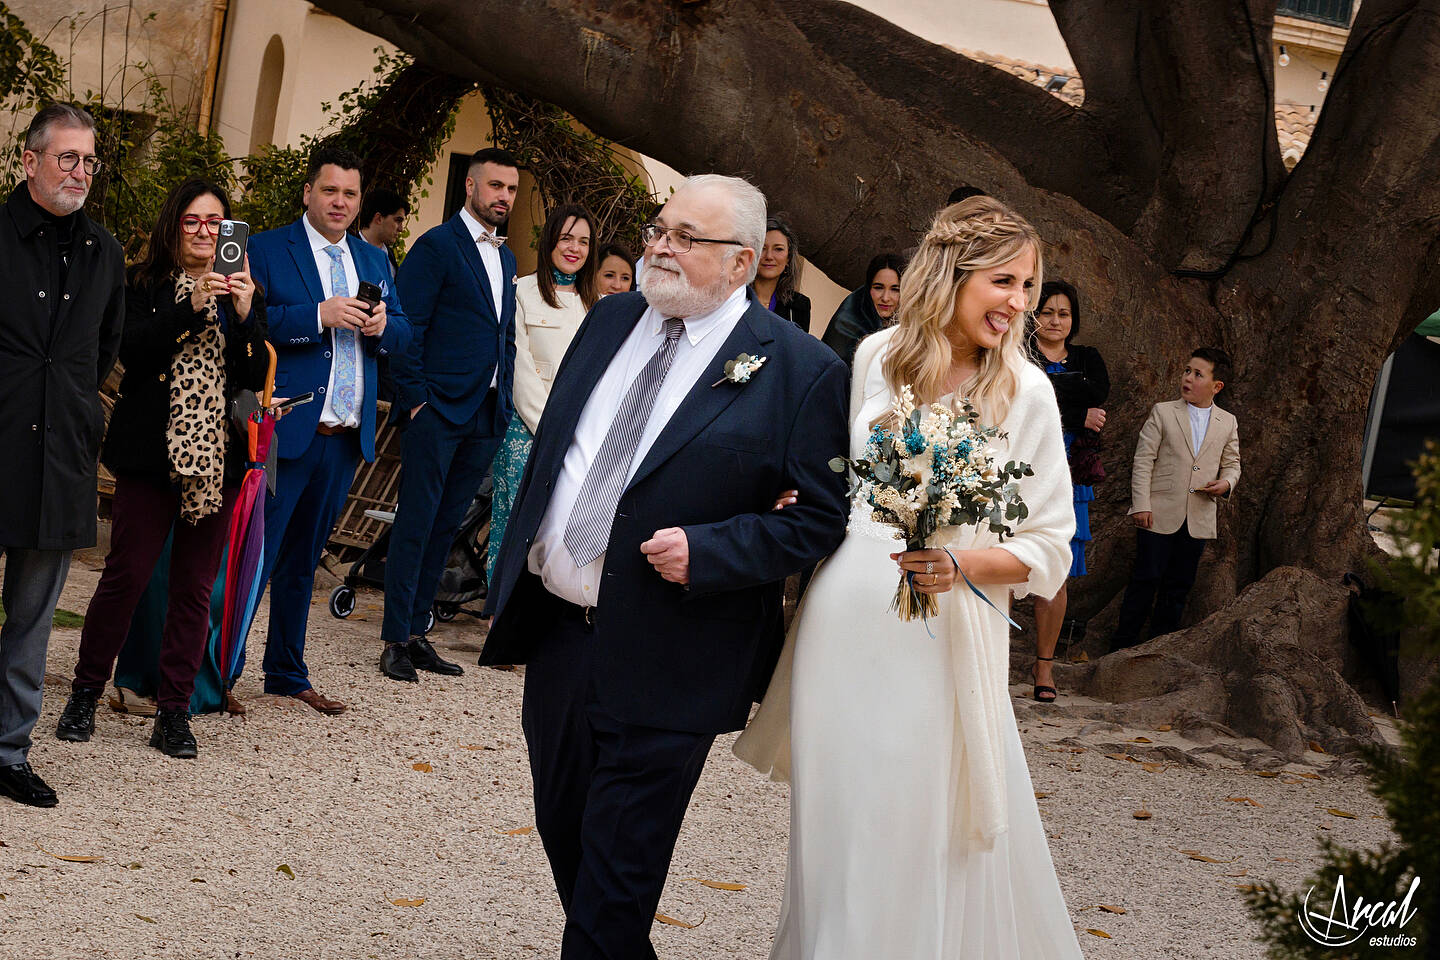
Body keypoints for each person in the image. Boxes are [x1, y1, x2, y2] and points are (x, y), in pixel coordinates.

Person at [479, 174, 850, 959]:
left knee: (619, 871)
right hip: (561, 631)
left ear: (743, 262)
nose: (660, 248)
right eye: (659, 229)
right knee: (567, 828)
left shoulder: (800, 370)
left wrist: (713, 552)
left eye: (687, 237)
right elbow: (563, 449)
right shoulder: (611, 318)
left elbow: (822, 516)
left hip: (678, 649)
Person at [735, 196, 1084, 959]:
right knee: (838, 819)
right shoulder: (874, 357)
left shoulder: (1025, 391)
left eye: (1028, 287)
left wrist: (960, 563)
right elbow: (838, 482)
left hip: (940, 636)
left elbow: (1051, 544)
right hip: (843, 618)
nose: (1020, 304)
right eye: (1005, 282)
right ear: (951, 275)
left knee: (916, 821)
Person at [54, 178, 270, 757]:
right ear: (174, 226)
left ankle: (174, 712)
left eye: (217, 224)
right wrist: (190, 304)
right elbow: (133, 350)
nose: (206, 233)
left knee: (194, 590)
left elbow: (251, 377)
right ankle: (85, 694)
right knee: (126, 576)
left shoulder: (244, 291)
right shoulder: (145, 282)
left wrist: (245, 315)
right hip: (150, 457)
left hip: (215, 464)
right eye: (194, 222)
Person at [246, 145, 411, 714]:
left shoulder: (374, 260)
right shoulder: (268, 248)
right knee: (253, 561)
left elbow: (407, 334)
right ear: (308, 193)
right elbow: (246, 323)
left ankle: (287, 673)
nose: (340, 202)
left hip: (343, 440)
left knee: (303, 565)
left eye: (350, 194)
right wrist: (318, 315)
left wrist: (386, 326)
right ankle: (215, 673)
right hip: (285, 436)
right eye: (330, 190)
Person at [0, 104, 124, 808]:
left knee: (32, 618)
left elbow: (100, 352)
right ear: (29, 161)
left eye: (88, 161)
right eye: (66, 158)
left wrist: (68, 410)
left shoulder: (104, 252)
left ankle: (9, 752)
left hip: (60, 460)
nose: (79, 171)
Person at [378, 147, 519, 684]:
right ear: (470, 186)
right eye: (495, 186)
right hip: (436, 409)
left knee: (446, 527)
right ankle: (393, 639)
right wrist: (415, 400)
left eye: (510, 189)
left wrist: (502, 402)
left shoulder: (505, 258)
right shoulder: (437, 246)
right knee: (416, 520)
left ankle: (417, 634)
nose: (504, 196)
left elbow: (501, 335)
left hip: (485, 412)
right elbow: (405, 327)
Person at [486, 203, 599, 582]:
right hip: (526, 432)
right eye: (567, 238)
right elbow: (519, 373)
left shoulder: (598, 307)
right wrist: (551, 430)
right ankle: (498, 616)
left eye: (584, 241)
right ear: (550, 240)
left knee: (561, 530)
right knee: (514, 526)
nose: (575, 248)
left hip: (578, 438)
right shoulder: (522, 292)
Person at [1110, 348, 1240, 649]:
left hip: (1198, 516)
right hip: (1158, 512)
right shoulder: (1163, 412)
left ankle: (1159, 645)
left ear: (1216, 386)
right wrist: (1141, 504)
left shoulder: (1227, 422)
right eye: (1186, 371)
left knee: (1179, 586)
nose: (1188, 378)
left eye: (1198, 374)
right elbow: (1144, 460)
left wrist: (1227, 482)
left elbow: (1232, 462)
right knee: (1145, 579)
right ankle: (1122, 644)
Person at [1028, 280, 1109, 701]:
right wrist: (1078, 412)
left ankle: (1044, 671)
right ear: (1032, 314)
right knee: (1002, 565)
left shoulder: (1087, 358)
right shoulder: (1019, 355)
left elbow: (1099, 391)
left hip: (1071, 478)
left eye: (1063, 313)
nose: (1055, 320)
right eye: (1047, 312)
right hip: (1022, 474)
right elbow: (1019, 400)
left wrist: (1058, 403)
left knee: (1056, 574)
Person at [820, 252, 903, 368]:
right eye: (878, 288)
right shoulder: (846, 324)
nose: (885, 298)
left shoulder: (913, 323)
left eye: (895, 289)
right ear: (868, 288)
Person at [751, 216, 811, 332]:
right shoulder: (733, 296)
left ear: (788, 259)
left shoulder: (799, 305)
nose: (769, 256)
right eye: (763, 248)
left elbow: (797, 348)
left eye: (778, 249)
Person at [356, 187, 408, 277]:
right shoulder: (348, 250)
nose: (401, 229)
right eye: (397, 220)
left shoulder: (389, 255)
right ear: (379, 218)